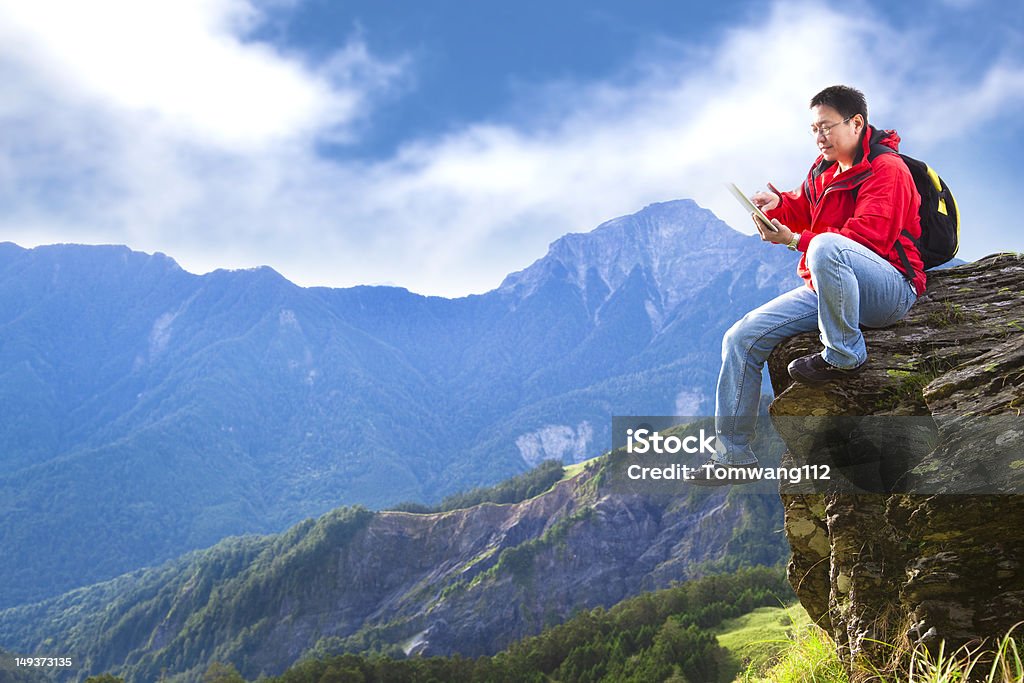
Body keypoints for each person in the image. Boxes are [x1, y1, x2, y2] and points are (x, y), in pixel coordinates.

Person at [692, 85, 925, 486]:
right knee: (740, 337)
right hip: (830, 286)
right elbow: (801, 208)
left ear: (856, 123)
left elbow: (867, 240)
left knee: (825, 245)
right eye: (814, 129)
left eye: (827, 127)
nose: (819, 137)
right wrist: (775, 205)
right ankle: (734, 456)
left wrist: (797, 241)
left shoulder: (889, 170)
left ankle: (845, 353)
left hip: (889, 290)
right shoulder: (823, 170)